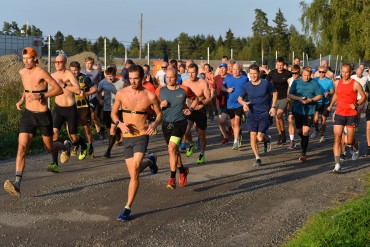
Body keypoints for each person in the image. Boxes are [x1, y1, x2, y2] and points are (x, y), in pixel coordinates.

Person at [3, 47, 63, 196]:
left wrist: (43, 96)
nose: (26, 62)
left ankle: (65, 145)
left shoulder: (41, 72)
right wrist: (21, 100)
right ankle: (17, 183)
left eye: (28, 59)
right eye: (23, 59)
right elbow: (27, 89)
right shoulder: (22, 72)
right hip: (28, 115)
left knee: (49, 148)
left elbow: (59, 89)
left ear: (35, 58)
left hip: (43, 115)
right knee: (21, 147)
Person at [112, 64, 162, 221]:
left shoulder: (150, 96)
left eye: (136, 79)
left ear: (143, 78)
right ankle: (150, 161)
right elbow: (113, 114)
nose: (133, 82)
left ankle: (127, 208)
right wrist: (119, 124)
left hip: (141, 135)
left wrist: (154, 124)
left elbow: (159, 114)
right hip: (127, 137)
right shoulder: (121, 93)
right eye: (130, 79)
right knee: (134, 171)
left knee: (134, 171)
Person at [156, 68, 198, 189]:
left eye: (172, 77)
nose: (169, 79)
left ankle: (172, 178)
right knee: (174, 151)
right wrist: (160, 105)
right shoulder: (160, 90)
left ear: (177, 77)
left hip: (180, 122)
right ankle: (183, 171)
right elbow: (153, 104)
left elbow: (195, 99)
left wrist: (190, 109)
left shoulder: (184, 89)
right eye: (167, 77)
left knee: (172, 148)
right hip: (166, 124)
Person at [49, 54, 88, 173]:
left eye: (60, 62)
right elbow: (50, 91)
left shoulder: (69, 74)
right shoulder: (53, 76)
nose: (57, 64)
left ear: (65, 63)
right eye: (55, 62)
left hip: (70, 109)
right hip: (58, 109)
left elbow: (78, 90)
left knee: (73, 136)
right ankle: (55, 164)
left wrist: (64, 85)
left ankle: (84, 145)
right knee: (54, 135)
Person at [327, 64, 366, 173]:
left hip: (351, 114)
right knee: (337, 138)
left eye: (347, 72)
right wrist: (331, 105)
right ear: (340, 71)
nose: (344, 74)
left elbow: (364, 96)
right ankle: (337, 164)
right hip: (339, 113)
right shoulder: (337, 83)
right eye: (343, 72)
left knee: (349, 141)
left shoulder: (355, 84)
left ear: (351, 72)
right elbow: (336, 94)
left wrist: (357, 104)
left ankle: (355, 145)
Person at [238, 64, 277, 166]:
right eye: (251, 73)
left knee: (259, 138)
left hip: (264, 113)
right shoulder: (246, 85)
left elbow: (275, 93)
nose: (253, 76)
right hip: (252, 114)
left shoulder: (266, 83)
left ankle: (267, 138)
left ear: (259, 73)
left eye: (255, 73)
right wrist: (244, 104)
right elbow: (240, 98)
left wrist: (273, 107)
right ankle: (257, 158)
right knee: (252, 136)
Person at [288, 66, 322, 162]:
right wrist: (299, 99)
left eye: (308, 75)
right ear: (301, 74)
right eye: (304, 75)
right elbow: (289, 95)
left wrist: (311, 100)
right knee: (299, 131)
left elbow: (319, 95)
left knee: (306, 130)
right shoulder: (296, 82)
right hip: (298, 109)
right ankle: (304, 139)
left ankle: (303, 153)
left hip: (310, 110)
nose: (306, 77)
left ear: (311, 74)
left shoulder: (314, 83)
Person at [182, 63, 212, 164]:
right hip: (188, 110)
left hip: (200, 110)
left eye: (193, 73)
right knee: (185, 131)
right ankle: (191, 144)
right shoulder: (185, 83)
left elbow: (209, 99)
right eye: (189, 73)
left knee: (201, 134)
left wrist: (200, 102)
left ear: (197, 72)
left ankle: (202, 153)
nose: (191, 75)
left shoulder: (202, 83)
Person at [97, 66, 126, 158]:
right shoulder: (102, 82)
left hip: (117, 109)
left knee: (112, 129)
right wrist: (99, 100)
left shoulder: (121, 83)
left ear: (115, 75)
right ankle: (117, 133)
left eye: (111, 76)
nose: (109, 78)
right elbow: (97, 92)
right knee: (109, 128)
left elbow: (127, 94)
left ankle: (108, 151)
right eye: (108, 75)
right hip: (107, 108)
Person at [69, 61, 97, 158]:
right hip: (71, 107)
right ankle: (76, 144)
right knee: (70, 129)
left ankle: (90, 147)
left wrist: (86, 94)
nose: (73, 72)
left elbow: (94, 88)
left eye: (75, 70)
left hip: (83, 107)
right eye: (72, 70)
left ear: (79, 70)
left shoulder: (85, 78)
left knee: (87, 129)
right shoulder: (68, 79)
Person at [223, 62, 249, 150]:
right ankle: (237, 134)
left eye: (237, 69)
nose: (235, 71)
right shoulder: (227, 78)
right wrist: (227, 90)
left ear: (240, 70)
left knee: (237, 122)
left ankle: (235, 141)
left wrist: (246, 102)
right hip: (230, 104)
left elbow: (248, 89)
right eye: (234, 69)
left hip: (239, 103)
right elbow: (222, 87)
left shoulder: (244, 79)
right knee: (233, 124)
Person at [266, 57, 292, 145]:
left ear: (284, 65)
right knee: (277, 118)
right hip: (275, 98)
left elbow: (292, 83)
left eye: (281, 65)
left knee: (279, 114)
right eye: (278, 65)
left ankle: (283, 132)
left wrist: (290, 96)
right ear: (276, 65)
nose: (280, 67)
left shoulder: (288, 73)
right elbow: (266, 82)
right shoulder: (272, 73)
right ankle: (281, 134)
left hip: (285, 97)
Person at [81, 57, 104, 141]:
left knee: (92, 114)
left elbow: (100, 83)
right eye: (87, 63)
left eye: (90, 63)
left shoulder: (96, 72)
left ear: (92, 64)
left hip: (93, 95)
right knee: (86, 116)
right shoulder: (81, 71)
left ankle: (99, 130)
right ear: (85, 63)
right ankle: (89, 134)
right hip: (83, 95)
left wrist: (101, 91)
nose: (88, 65)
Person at [311, 65, 334, 142]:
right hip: (317, 101)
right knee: (315, 119)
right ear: (317, 72)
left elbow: (332, 91)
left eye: (323, 72)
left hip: (325, 102)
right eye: (319, 72)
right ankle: (316, 129)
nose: (321, 73)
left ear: (326, 72)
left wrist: (328, 92)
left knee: (323, 120)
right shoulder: (315, 80)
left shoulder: (329, 81)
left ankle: (322, 135)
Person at [214, 63, 231, 144]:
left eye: (224, 68)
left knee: (222, 121)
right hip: (219, 102)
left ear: (227, 69)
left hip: (228, 101)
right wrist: (212, 95)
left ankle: (231, 127)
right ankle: (226, 136)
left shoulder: (230, 77)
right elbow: (214, 88)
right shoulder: (216, 78)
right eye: (220, 68)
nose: (222, 70)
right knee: (221, 122)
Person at [287, 64, 301, 150]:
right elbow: (288, 92)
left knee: (300, 127)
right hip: (292, 103)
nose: (294, 75)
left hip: (301, 103)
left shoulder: (302, 80)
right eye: (292, 73)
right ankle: (292, 141)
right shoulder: (289, 80)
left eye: (296, 73)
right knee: (290, 120)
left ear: (299, 73)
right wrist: (288, 100)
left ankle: (302, 137)